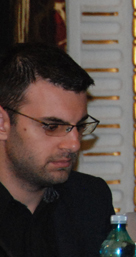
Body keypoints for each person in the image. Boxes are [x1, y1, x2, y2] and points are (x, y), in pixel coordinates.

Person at [0, 43, 114, 257]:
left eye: (79, 126)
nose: (74, 144)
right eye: (52, 126)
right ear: (2, 123)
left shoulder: (89, 199)